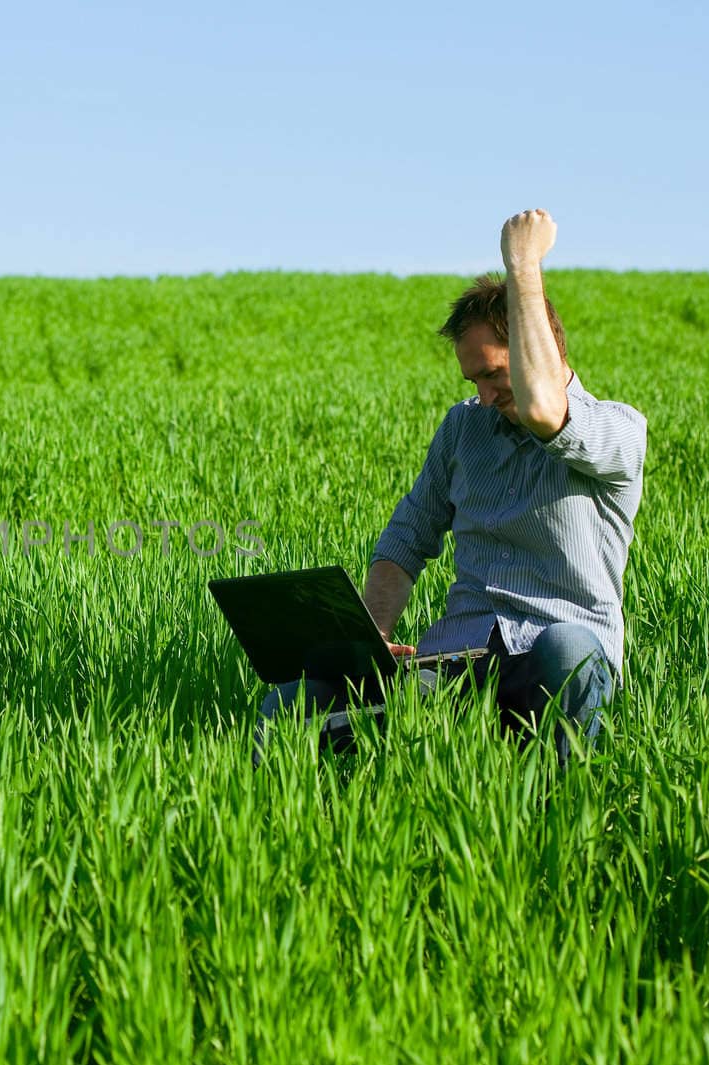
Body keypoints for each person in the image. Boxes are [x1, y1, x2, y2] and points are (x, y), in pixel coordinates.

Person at [255, 209, 647, 768]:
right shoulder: (464, 428)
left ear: (543, 353)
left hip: (551, 658)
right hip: (458, 663)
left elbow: (542, 406)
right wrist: (370, 644)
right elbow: (406, 538)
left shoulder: (618, 431)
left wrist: (523, 263)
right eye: (474, 380)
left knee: (569, 648)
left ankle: (562, 809)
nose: (484, 394)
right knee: (293, 703)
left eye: (494, 374)